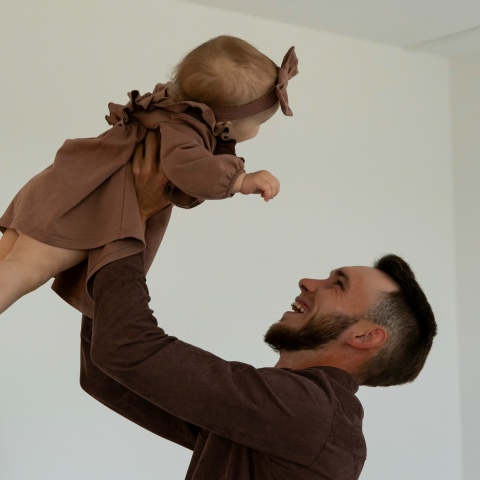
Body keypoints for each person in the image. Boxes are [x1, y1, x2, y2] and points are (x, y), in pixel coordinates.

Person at [79, 136, 438, 479]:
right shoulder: (284, 418)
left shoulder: (309, 413)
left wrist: (132, 215)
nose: (308, 282)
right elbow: (107, 375)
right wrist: (136, 219)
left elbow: (125, 348)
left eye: (338, 285)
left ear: (365, 336)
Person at [0, 35, 298, 317]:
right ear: (225, 125)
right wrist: (240, 180)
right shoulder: (184, 131)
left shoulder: (167, 105)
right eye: (258, 124)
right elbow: (190, 168)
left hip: (59, 185)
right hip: (81, 207)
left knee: (8, 261)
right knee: (23, 271)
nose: (258, 131)